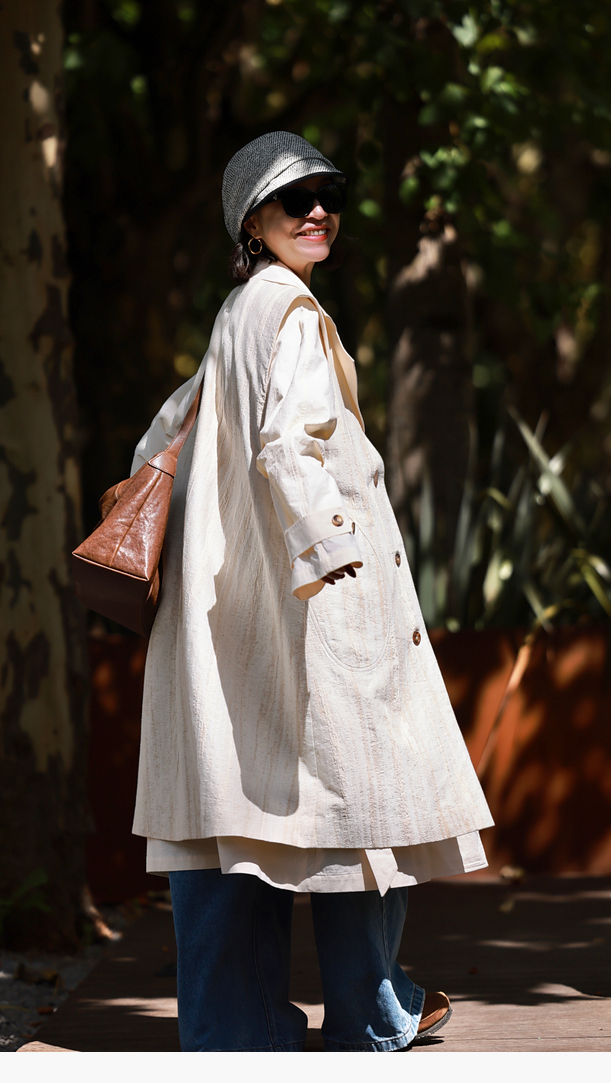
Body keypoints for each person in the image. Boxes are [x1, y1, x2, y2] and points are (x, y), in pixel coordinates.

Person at [130, 132, 493, 1052]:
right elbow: (288, 445)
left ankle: (236, 1033)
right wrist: (332, 552)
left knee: (230, 821)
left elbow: (160, 444)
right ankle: (375, 1013)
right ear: (251, 221)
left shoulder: (238, 312)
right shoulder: (291, 311)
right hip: (315, 597)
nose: (319, 210)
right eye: (295, 199)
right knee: (362, 806)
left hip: (234, 610)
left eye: (329, 192)